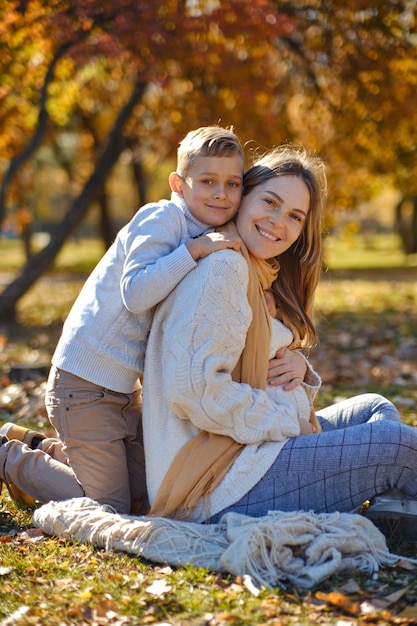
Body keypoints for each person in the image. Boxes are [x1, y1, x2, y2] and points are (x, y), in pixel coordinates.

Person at [143, 145, 416, 538]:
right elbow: (195, 391)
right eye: (269, 202)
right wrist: (290, 422)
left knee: (373, 408)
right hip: (216, 483)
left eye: (294, 216)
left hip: (253, 451)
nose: (278, 222)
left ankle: (393, 509)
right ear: (243, 196)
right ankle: (391, 504)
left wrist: (300, 369)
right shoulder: (223, 269)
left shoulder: (255, 270)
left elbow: (251, 359)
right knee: (395, 446)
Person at [0, 125, 247, 514]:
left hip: (122, 390)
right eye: (207, 181)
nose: (221, 192)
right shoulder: (163, 217)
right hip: (83, 383)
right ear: (179, 184)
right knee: (111, 507)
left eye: (233, 184)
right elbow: (136, 292)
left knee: (145, 492)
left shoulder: (210, 231)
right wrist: (194, 250)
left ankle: (38, 447)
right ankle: (9, 457)